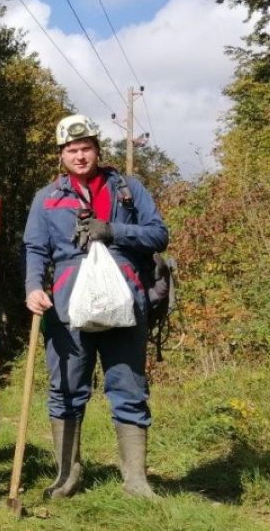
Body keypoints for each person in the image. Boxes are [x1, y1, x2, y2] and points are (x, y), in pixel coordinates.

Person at [24, 113, 170, 499]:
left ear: (97, 150)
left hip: (126, 303)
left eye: (86, 148)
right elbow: (35, 249)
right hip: (67, 306)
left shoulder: (128, 188)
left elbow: (158, 234)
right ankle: (67, 475)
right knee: (66, 389)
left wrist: (113, 230)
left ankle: (136, 481)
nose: (80, 156)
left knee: (129, 388)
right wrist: (33, 288)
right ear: (61, 155)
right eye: (72, 150)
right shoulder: (47, 198)